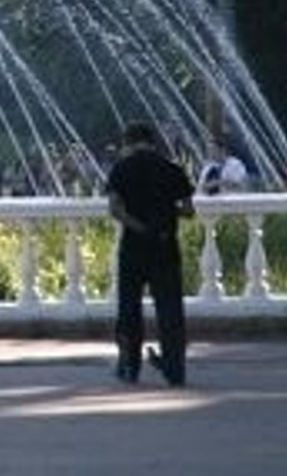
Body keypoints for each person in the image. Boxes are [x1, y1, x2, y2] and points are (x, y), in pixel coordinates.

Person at [106, 121, 195, 386]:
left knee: (129, 306)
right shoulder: (172, 169)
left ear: (129, 142)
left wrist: (138, 226)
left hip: (134, 246)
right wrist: (166, 216)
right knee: (169, 308)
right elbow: (188, 209)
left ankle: (129, 365)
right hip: (165, 245)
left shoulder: (121, 169)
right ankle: (174, 368)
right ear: (152, 141)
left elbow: (115, 209)